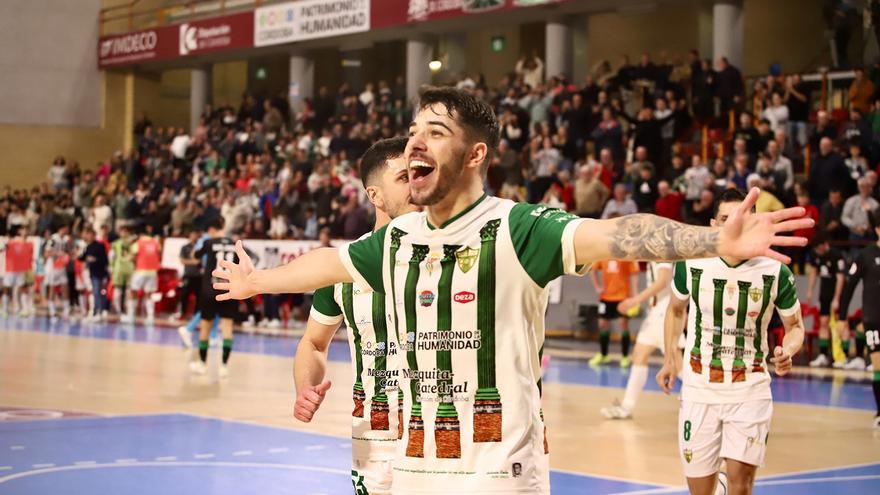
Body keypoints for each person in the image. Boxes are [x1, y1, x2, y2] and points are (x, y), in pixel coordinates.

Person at [212, 87, 813, 494]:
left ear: (475, 154)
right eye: (413, 130)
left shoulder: (519, 228)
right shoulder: (396, 241)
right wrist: (255, 282)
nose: (415, 142)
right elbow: (327, 263)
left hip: (501, 473)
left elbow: (622, 234)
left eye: (435, 132)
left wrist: (713, 244)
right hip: (416, 467)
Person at [657, 188, 805, 495]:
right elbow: (675, 309)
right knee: (701, 490)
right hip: (699, 390)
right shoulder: (692, 263)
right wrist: (670, 358)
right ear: (714, 224)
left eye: (744, 218)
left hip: (749, 390)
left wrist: (787, 350)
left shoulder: (776, 271)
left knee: (741, 487)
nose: (735, 225)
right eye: (727, 219)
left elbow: (795, 326)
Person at [297, 137, 419, 494]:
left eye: (421, 174)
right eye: (404, 177)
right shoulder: (342, 266)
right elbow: (314, 344)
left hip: (446, 438)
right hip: (374, 440)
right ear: (375, 196)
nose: (417, 185)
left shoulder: (456, 256)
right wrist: (305, 386)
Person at [601, 261, 673, 419]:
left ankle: (704, 397)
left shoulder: (663, 251)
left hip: (665, 313)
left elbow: (663, 281)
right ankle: (627, 407)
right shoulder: (654, 253)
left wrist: (635, 300)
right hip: (656, 312)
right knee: (639, 355)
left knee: (677, 364)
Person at [836, 208, 880, 425]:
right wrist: (842, 318)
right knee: (879, 367)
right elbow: (849, 286)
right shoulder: (866, 255)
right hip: (875, 320)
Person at [190, 216, 238, 377]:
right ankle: (224, 366)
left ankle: (203, 364)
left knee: (205, 328)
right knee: (227, 328)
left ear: (211, 230)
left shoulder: (208, 242)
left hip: (209, 290)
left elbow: (195, 256)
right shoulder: (235, 243)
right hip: (229, 289)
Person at [589, 259, 638, 367]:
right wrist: (597, 287)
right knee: (602, 324)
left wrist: (635, 297)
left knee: (623, 324)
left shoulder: (626, 255)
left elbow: (634, 274)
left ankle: (625, 356)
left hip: (623, 296)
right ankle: (604, 355)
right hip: (606, 297)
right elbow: (592, 269)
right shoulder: (603, 254)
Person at [124, 228, 162, 324]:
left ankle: (131, 316)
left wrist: (127, 256)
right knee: (148, 294)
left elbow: (131, 256)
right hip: (153, 271)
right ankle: (150, 318)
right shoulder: (155, 242)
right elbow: (159, 253)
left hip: (141, 271)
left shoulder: (139, 243)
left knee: (133, 291)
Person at [1, 226, 34, 317]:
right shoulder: (10, 242)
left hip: (22, 270)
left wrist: (29, 270)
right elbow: (1, 249)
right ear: (19, 231)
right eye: (23, 229)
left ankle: (24, 309)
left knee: (23, 289)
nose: (25, 231)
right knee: (6, 288)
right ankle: (4, 309)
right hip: (10, 270)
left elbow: (30, 257)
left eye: (26, 230)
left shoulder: (29, 243)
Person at [79, 228, 109, 322]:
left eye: (89, 234)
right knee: (95, 292)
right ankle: (96, 311)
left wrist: (95, 259)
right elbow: (83, 258)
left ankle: (98, 312)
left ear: (93, 235)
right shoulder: (88, 247)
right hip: (92, 273)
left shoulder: (100, 245)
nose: (88, 236)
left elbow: (105, 260)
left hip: (99, 273)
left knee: (97, 292)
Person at [44, 225, 71, 320]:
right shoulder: (53, 239)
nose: (68, 230)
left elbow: (68, 252)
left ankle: (66, 311)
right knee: (52, 289)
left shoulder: (65, 239)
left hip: (61, 267)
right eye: (66, 228)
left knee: (65, 287)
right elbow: (46, 253)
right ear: (61, 228)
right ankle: (52, 312)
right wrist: (57, 254)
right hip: (52, 267)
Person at [109, 225, 135, 316]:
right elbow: (111, 256)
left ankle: (128, 310)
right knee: (118, 289)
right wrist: (111, 267)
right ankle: (118, 310)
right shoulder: (115, 244)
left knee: (129, 290)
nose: (124, 233)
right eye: (122, 231)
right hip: (119, 269)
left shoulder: (133, 243)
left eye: (126, 231)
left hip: (130, 269)